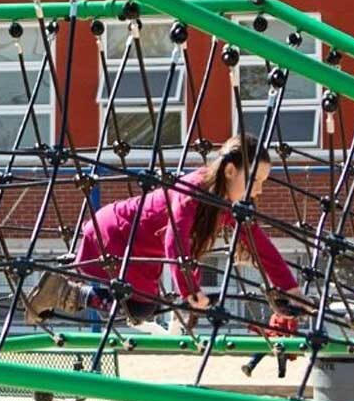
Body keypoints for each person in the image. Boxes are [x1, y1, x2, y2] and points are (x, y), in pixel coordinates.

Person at [26, 134, 303, 325]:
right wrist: (190, 290)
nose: (259, 189)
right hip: (115, 236)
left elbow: (256, 240)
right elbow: (176, 240)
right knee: (140, 308)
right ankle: (65, 290)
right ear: (230, 170)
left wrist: (289, 286)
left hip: (141, 249)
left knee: (151, 306)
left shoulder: (226, 202)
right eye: (255, 180)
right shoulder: (194, 191)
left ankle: (69, 280)